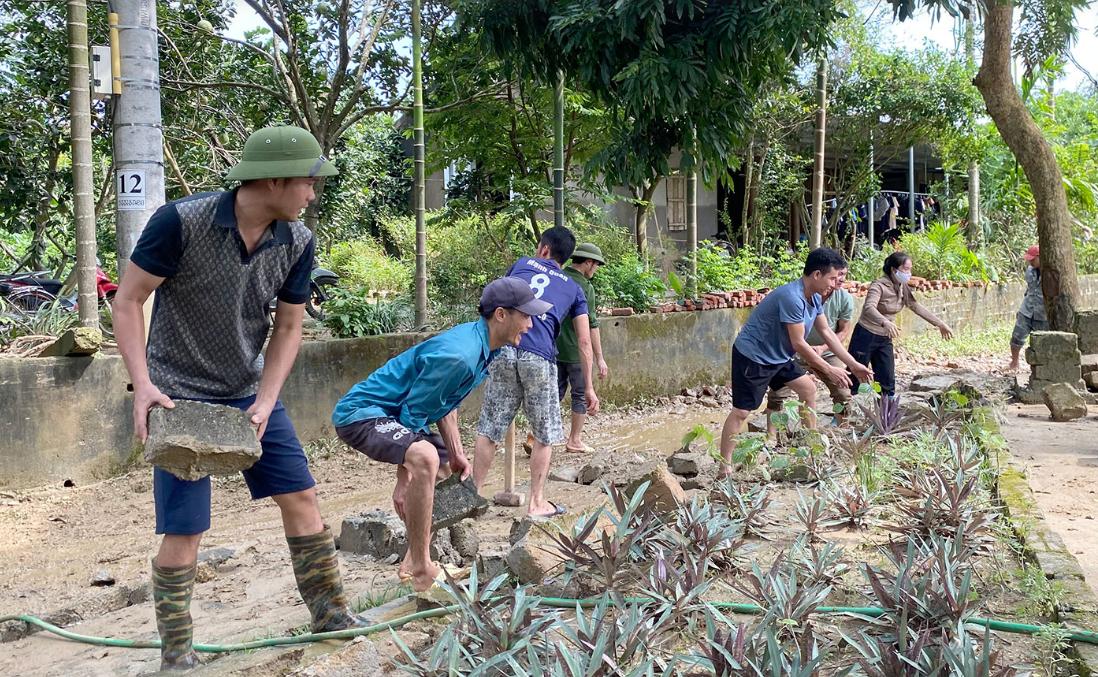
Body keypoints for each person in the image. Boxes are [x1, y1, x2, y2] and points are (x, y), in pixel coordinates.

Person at [113, 125, 363, 671]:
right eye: (307, 183)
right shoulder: (180, 223)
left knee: (301, 498)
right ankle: (177, 654)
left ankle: (331, 615)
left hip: (249, 392)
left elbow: (290, 326)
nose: (313, 194)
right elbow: (128, 300)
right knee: (186, 527)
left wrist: (268, 399)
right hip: (179, 398)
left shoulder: (296, 240)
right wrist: (143, 387)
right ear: (273, 180)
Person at [331, 278, 551, 592]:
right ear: (501, 315)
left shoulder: (482, 347)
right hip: (362, 414)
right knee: (425, 458)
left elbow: (445, 405)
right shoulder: (460, 355)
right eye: (525, 315)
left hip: (395, 415)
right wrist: (403, 478)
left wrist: (457, 452)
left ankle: (412, 560)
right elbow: (411, 414)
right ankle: (422, 568)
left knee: (448, 469)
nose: (530, 324)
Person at [472, 226, 599, 519]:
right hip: (539, 358)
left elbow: (496, 299)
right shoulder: (574, 288)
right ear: (565, 259)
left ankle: (472, 497)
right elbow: (583, 340)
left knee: (490, 428)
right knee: (544, 435)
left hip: (502, 349)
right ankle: (537, 503)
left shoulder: (520, 264)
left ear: (543, 249)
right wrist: (589, 386)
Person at [720, 248, 872, 478]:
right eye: (832, 277)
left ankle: (812, 448)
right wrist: (828, 369)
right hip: (754, 355)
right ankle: (725, 467)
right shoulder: (792, 297)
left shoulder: (816, 298)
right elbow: (799, 343)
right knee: (742, 411)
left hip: (779, 355)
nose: (835, 283)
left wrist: (853, 364)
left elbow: (827, 333)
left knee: (808, 389)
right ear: (817, 275)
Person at [849, 251, 954, 397]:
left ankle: (886, 417)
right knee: (854, 378)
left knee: (887, 380)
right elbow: (869, 307)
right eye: (906, 269)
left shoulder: (902, 286)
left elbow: (915, 306)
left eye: (910, 269)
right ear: (894, 269)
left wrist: (940, 324)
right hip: (865, 335)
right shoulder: (878, 286)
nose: (909, 273)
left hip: (885, 338)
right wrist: (885, 321)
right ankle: (843, 415)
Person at [767, 266, 856, 431]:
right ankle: (772, 436)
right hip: (795, 351)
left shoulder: (844, 298)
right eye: (837, 275)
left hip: (827, 352)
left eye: (843, 274)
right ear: (820, 275)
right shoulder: (802, 295)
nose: (840, 278)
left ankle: (842, 429)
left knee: (843, 391)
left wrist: (823, 349)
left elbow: (842, 331)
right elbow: (795, 338)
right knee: (777, 392)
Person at [555, 242, 608, 453]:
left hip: (551, 349)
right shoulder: (585, 287)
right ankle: (574, 440)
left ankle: (536, 437)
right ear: (588, 262)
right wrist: (599, 358)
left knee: (552, 395)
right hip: (576, 352)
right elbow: (591, 326)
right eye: (595, 265)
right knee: (580, 395)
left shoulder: (556, 279)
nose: (595, 270)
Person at [1008, 245, 1047, 371]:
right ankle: (1014, 362)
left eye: (1033, 259)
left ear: (1040, 257)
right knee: (1016, 337)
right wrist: (1021, 308)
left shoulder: (1050, 272)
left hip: (1042, 313)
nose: (1030, 261)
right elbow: (1029, 289)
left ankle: (1041, 368)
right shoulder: (1029, 270)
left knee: (1041, 341)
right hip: (1027, 309)